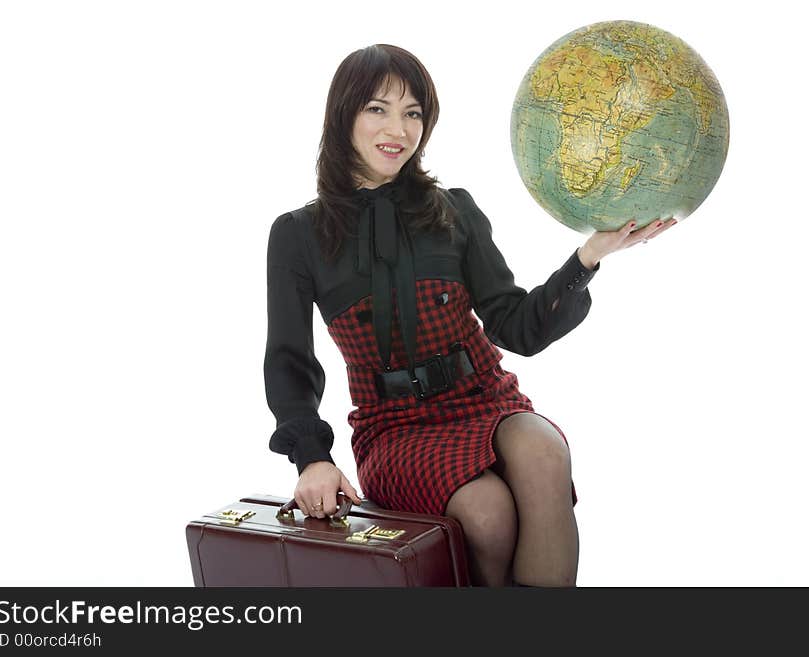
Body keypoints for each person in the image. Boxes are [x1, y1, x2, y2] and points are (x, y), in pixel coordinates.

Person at [264, 44, 676, 587]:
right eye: (378, 109)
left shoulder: (454, 209)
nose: (399, 129)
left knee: (544, 451)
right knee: (488, 514)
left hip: (483, 397)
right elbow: (290, 361)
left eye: (413, 112)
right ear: (343, 115)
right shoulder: (298, 235)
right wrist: (312, 457)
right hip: (395, 428)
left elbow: (516, 327)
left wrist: (589, 256)